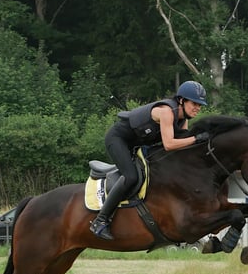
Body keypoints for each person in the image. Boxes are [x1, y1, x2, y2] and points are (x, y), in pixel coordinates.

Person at [89, 80, 210, 240]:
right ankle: (100, 220)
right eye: (194, 103)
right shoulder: (167, 112)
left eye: (200, 105)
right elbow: (169, 144)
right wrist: (196, 139)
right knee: (131, 177)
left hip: (135, 145)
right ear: (182, 100)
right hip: (118, 139)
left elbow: (182, 144)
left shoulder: (183, 119)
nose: (198, 108)